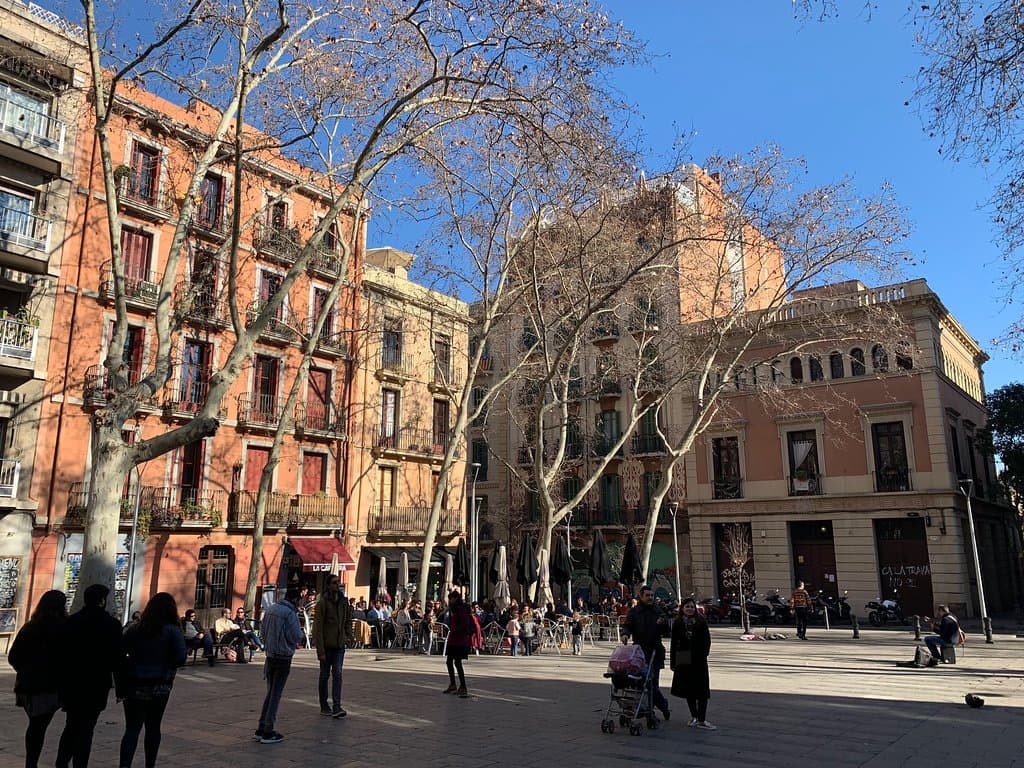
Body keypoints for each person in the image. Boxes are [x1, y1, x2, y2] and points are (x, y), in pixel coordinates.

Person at [117, 592, 187, 768]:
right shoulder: (172, 629)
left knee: (132, 729)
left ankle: (125, 765)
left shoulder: (136, 628)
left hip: (135, 685)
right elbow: (180, 656)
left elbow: (120, 653)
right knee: (153, 727)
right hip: (160, 685)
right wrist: (167, 665)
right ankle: (150, 764)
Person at [56, 583, 123, 768]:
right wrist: (121, 686)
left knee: (71, 725)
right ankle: (80, 764)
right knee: (87, 728)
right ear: (102, 601)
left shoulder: (71, 621)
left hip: (73, 681)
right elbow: (117, 658)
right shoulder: (112, 625)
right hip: (97, 682)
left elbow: (61, 654)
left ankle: (61, 762)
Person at [9, 589, 66, 768]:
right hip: (50, 686)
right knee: (39, 726)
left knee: (35, 726)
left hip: (28, 686)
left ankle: (30, 762)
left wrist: (25, 671)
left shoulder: (30, 627)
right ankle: (32, 762)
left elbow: (14, 657)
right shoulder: (63, 629)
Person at [255, 584, 305, 744]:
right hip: (283, 656)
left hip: (270, 656)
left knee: (270, 693)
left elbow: (262, 632)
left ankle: (261, 727)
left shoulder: (270, 609)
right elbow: (296, 636)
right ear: (296, 599)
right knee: (275, 694)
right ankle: (268, 730)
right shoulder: (289, 613)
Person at [622, 584, 671, 722]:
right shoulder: (634, 612)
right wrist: (625, 634)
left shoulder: (658, 611)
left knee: (652, 684)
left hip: (655, 652)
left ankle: (659, 707)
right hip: (638, 653)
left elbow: (667, 631)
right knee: (640, 683)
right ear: (641, 597)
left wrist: (663, 623)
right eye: (647, 595)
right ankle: (647, 707)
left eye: (651, 595)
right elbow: (627, 625)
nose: (650, 598)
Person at [670, 598, 715, 730]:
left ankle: (702, 718)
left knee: (702, 689)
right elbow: (674, 643)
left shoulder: (701, 621)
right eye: (687, 607)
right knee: (688, 689)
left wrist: (704, 653)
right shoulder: (678, 623)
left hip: (698, 657)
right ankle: (694, 716)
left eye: (691, 607)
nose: (689, 609)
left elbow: (707, 639)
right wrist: (673, 662)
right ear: (682, 608)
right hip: (683, 656)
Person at [312, 574, 353, 718]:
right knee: (324, 676)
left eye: (338, 583)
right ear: (328, 586)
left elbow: (348, 619)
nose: (337, 585)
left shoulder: (343, 602)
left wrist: (348, 635)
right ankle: (324, 705)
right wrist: (320, 650)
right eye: (334, 583)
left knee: (338, 674)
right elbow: (318, 628)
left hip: (339, 645)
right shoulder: (322, 604)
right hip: (326, 646)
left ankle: (337, 706)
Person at [442, 591, 475, 697]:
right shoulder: (456, 608)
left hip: (459, 640)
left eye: (450, 599)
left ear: (455, 598)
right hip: (454, 639)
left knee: (457, 662)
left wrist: (454, 630)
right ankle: (453, 684)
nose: (449, 601)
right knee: (450, 661)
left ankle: (463, 686)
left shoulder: (461, 609)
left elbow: (464, 624)